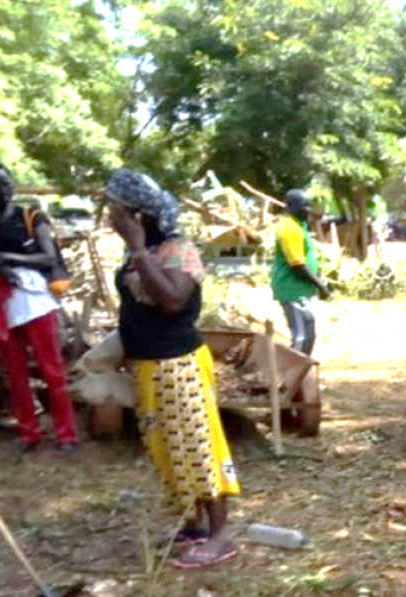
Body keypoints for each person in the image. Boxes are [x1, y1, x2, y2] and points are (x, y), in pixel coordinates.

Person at [106, 168, 240, 569]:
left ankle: (220, 536)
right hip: (150, 366)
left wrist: (136, 248)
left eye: (116, 209)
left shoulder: (177, 249)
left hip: (176, 364)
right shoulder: (148, 248)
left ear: (138, 215)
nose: (109, 216)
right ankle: (196, 524)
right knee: (168, 448)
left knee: (198, 448)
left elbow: (172, 301)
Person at [0, 159, 79, 454]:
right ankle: (29, 432)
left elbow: (48, 258)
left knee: (51, 368)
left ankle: (66, 434)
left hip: (34, 301)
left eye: (8, 182)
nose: (5, 189)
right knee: (14, 373)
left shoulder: (29, 215)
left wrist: (7, 259)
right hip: (0, 305)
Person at [271, 189, 329, 355]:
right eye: (305, 206)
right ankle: (292, 377)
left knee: (308, 334)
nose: (309, 210)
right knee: (302, 337)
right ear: (292, 207)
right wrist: (321, 285)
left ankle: (300, 376)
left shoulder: (298, 224)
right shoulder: (289, 228)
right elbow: (297, 265)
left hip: (300, 290)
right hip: (292, 289)